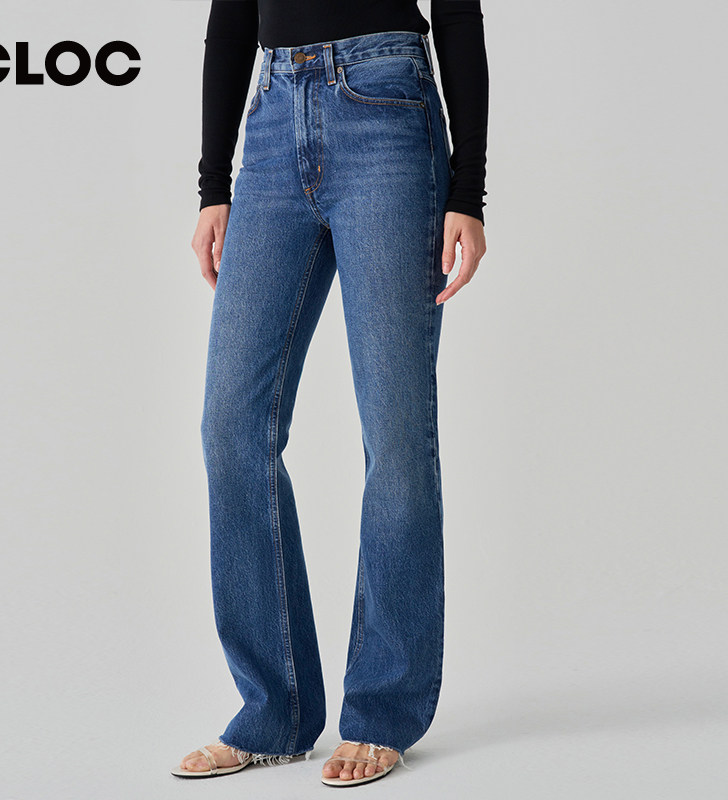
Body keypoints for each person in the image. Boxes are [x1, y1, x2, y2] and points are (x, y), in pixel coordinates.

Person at [172, 0, 489, 787]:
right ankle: (273, 713)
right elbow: (232, 17)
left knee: (396, 432)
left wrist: (468, 191)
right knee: (230, 426)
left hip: (387, 110)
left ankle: (382, 711)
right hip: (273, 117)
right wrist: (213, 184)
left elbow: (457, 13)